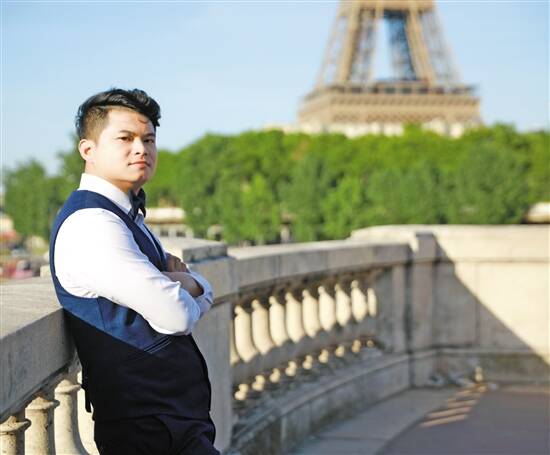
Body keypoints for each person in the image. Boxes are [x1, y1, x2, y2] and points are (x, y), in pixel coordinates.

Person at [49, 88, 220, 454]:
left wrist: (188, 283)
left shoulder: (125, 217)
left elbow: (196, 294)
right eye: (125, 138)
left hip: (169, 422)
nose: (141, 149)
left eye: (149, 139)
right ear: (88, 150)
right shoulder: (92, 224)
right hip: (145, 428)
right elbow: (176, 314)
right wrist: (188, 283)